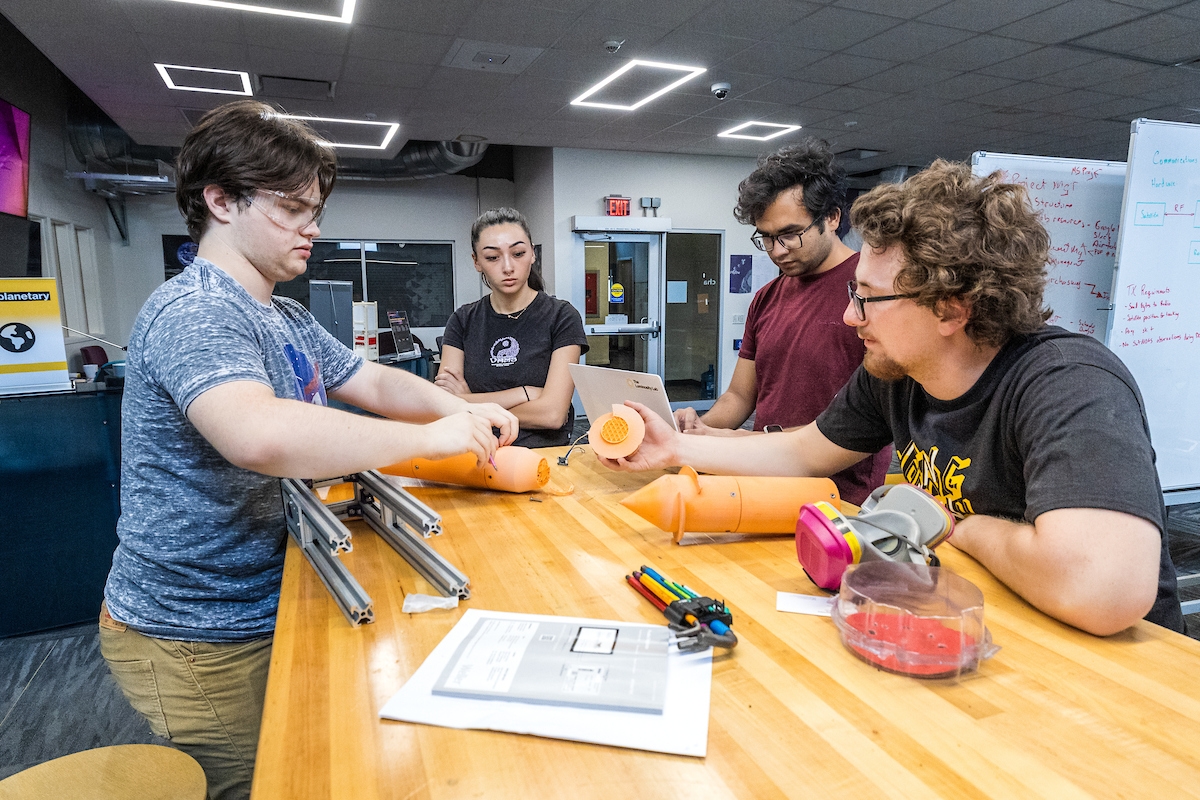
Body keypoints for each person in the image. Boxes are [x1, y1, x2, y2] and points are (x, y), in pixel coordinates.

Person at [99, 100, 517, 800]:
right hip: (199, 632)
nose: (313, 226)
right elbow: (258, 433)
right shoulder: (195, 309)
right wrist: (430, 438)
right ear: (221, 201)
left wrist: (464, 409)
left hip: (267, 601)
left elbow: (371, 379)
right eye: (292, 207)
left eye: (314, 207)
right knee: (266, 784)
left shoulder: (280, 313)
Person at [600, 159, 1184, 637]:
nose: (851, 317)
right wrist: (674, 446)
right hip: (987, 624)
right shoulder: (897, 372)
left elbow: (1102, 590)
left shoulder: (1068, 383)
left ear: (952, 308)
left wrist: (958, 529)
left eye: (869, 299)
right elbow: (803, 453)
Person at [673, 139, 888, 505]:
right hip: (765, 480)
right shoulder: (767, 298)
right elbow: (740, 396)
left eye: (789, 234)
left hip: (840, 497)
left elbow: (861, 426)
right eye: (767, 238)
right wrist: (702, 427)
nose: (777, 250)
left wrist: (743, 442)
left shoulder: (870, 293)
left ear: (833, 217)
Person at [435, 207, 588, 448]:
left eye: (518, 253)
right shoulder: (463, 320)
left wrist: (468, 402)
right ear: (476, 262)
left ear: (532, 254)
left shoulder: (561, 316)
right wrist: (524, 393)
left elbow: (552, 414)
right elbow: (446, 406)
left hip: (542, 457)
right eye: (493, 257)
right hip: (477, 453)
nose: (507, 267)